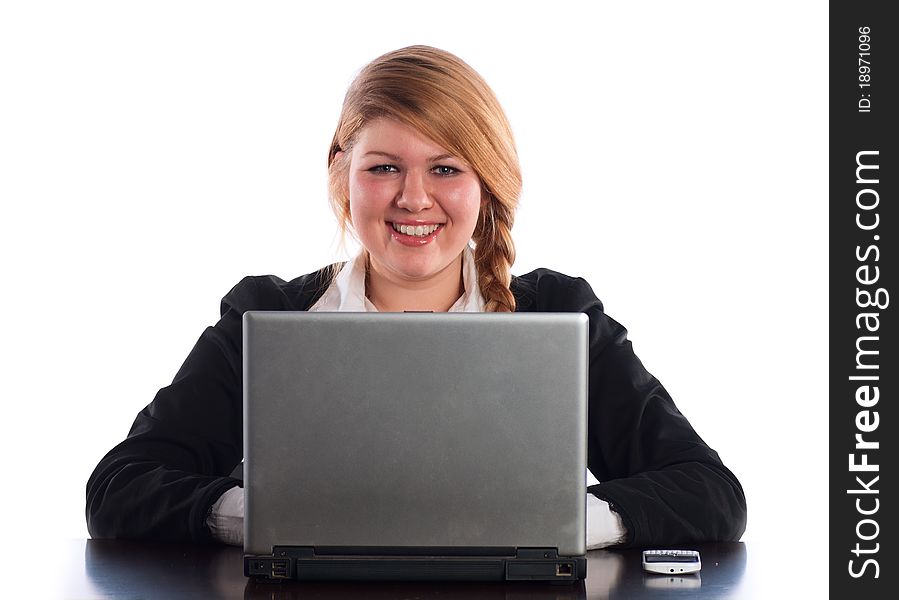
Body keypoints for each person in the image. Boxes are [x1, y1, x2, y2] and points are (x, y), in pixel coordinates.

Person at [86, 45, 746, 549]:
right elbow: (120, 488)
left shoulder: (558, 316)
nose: (413, 197)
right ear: (342, 176)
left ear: (485, 184)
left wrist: (560, 524)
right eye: (384, 168)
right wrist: (265, 519)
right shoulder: (267, 317)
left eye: (445, 168)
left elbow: (710, 495)